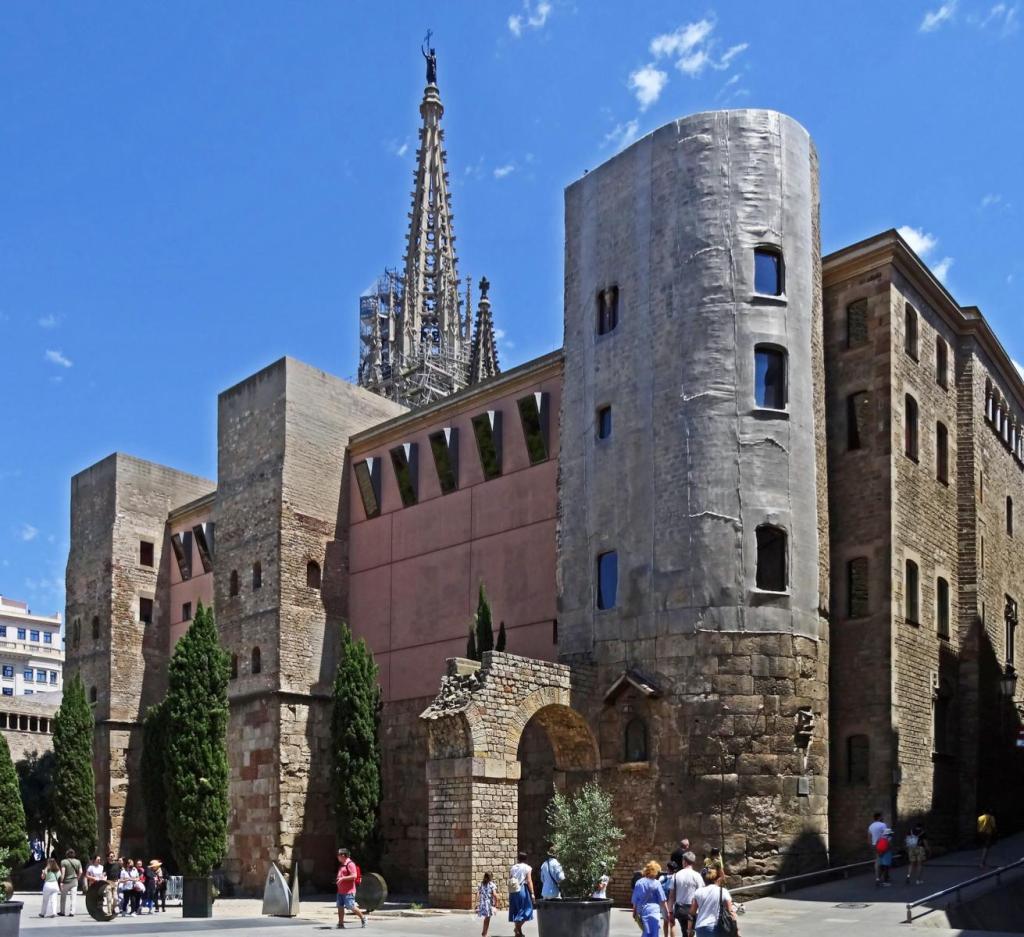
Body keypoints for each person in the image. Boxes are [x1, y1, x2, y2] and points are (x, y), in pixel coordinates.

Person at [632, 860, 673, 937]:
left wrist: (634, 911)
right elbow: (663, 900)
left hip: (642, 911)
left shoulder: (639, 882)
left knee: (646, 931)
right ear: (655, 872)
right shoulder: (657, 883)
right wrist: (667, 912)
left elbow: (635, 899)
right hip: (654, 911)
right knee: (654, 932)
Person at [690, 873, 738, 937]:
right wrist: (736, 929)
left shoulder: (698, 891)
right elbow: (730, 911)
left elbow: (692, 911)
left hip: (700, 927)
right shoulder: (723, 891)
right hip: (716, 927)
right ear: (718, 879)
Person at [669, 851, 704, 936]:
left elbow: (671, 896)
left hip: (680, 909)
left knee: (684, 931)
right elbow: (701, 894)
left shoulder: (676, 876)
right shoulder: (697, 876)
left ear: (684, 861)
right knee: (690, 932)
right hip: (693, 909)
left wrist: (670, 912)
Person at [335, 847, 367, 929]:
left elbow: (354, 876)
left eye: (338, 855)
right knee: (340, 907)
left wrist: (342, 878)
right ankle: (340, 924)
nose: (337, 856)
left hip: (349, 891)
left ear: (343, 855)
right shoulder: (342, 864)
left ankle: (363, 918)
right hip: (340, 891)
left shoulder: (350, 864)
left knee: (351, 906)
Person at [508, 851, 535, 937]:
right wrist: (532, 893)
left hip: (513, 891)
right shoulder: (527, 868)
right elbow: (529, 881)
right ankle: (517, 929)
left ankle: (518, 932)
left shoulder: (513, 868)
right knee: (528, 910)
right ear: (526, 859)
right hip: (522, 890)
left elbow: (510, 879)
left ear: (518, 859)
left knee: (516, 911)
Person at [58, 848, 82, 917]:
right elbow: (81, 872)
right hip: (74, 881)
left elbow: (63, 873)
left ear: (67, 854)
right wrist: (77, 878)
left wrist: (61, 881)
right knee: (73, 897)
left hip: (66, 882)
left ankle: (62, 911)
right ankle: (72, 912)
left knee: (63, 897)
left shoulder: (64, 862)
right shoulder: (78, 862)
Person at [476, 871, 500, 937]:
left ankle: (484, 933)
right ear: (491, 877)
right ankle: (484, 934)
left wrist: (477, 903)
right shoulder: (492, 885)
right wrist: (496, 904)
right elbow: (495, 895)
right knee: (487, 918)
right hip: (488, 904)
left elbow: (478, 894)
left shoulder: (481, 884)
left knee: (486, 918)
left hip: (482, 903)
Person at [868, 812, 887, 884]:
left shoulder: (871, 826)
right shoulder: (883, 825)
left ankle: (877, 877)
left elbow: (869, 837)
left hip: (874, 845)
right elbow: (887, 835)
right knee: (884, 861)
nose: (883, 818)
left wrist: (871, 845)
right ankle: (882, 877)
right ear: (879, 817)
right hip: (882, 845)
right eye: (882, 817)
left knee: (877, 861)